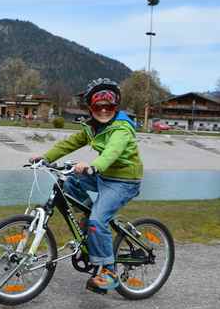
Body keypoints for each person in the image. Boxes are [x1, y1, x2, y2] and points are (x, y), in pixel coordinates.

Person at [30, 78, 143, 294]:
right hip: (103, 175)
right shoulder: (92, 127)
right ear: (90, 107)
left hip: (124, 180)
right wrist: (45, 157)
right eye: (97, 106)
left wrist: (94, 166)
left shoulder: (122, 128)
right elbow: (69, 143)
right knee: (69, 184)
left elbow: (112, 151)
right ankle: (89, 223)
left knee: (97, 220)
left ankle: (108, 272)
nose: (103, 110)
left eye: (108, 106)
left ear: (115, 106)